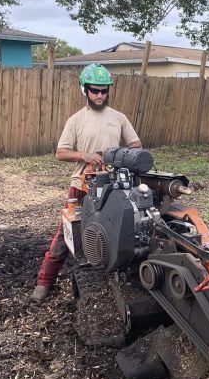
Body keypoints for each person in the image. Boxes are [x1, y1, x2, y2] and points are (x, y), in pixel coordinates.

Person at [31, 64, 142, 302]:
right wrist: (85, 155)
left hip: (113, 187)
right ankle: (44, 282)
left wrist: (121, 154)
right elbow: (60, 152)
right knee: (66, 234)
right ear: (85, 90)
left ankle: (119, 279)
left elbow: (136, 145)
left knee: (119, 232)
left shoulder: (119, 118)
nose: (100, 95)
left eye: (104, 91)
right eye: (95, 91)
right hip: (82, 186)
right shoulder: (77, 120)